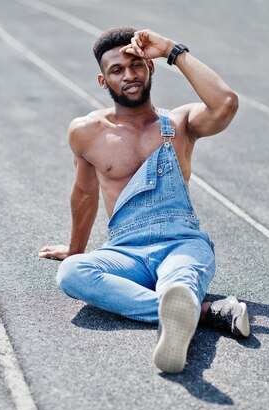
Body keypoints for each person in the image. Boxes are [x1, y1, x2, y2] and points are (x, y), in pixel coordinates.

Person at [39, 27, 249, 374]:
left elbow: (226, 103)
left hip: (181, 243)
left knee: (178, 280)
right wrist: (76, 249)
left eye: (136, 64)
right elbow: (85, 192)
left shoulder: (180, 123)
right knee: (72, 272)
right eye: (116, 70)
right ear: (103, 81)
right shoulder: (86, 131)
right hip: (125, 251)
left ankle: (178, 311)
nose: (129, 75)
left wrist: (171, 50)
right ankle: (203, 312)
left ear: (150, 68)